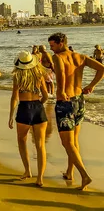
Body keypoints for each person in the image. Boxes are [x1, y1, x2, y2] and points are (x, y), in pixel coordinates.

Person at [49, 32, 104, 191]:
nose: (51, 49)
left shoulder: (58, 57)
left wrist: (61, 91)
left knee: (67, 143)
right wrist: (91, 85)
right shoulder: (81, 56)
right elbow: (102, 69)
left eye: (52, 46)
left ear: (61, 43)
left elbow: (60, 75)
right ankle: (69, 172)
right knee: (74, 141)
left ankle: (85, 175)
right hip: (79, 100)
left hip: (65, 102)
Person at [8, 50, 49, 187]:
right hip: (38, 108)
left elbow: (14, 98)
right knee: (40, 145)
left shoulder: (17, 77)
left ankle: (27, 171)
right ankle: (40, 178)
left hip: (24, 109)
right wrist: (39, 105)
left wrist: (10, 115)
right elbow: (46, 95)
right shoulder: (39, 75)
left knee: (22, 141)